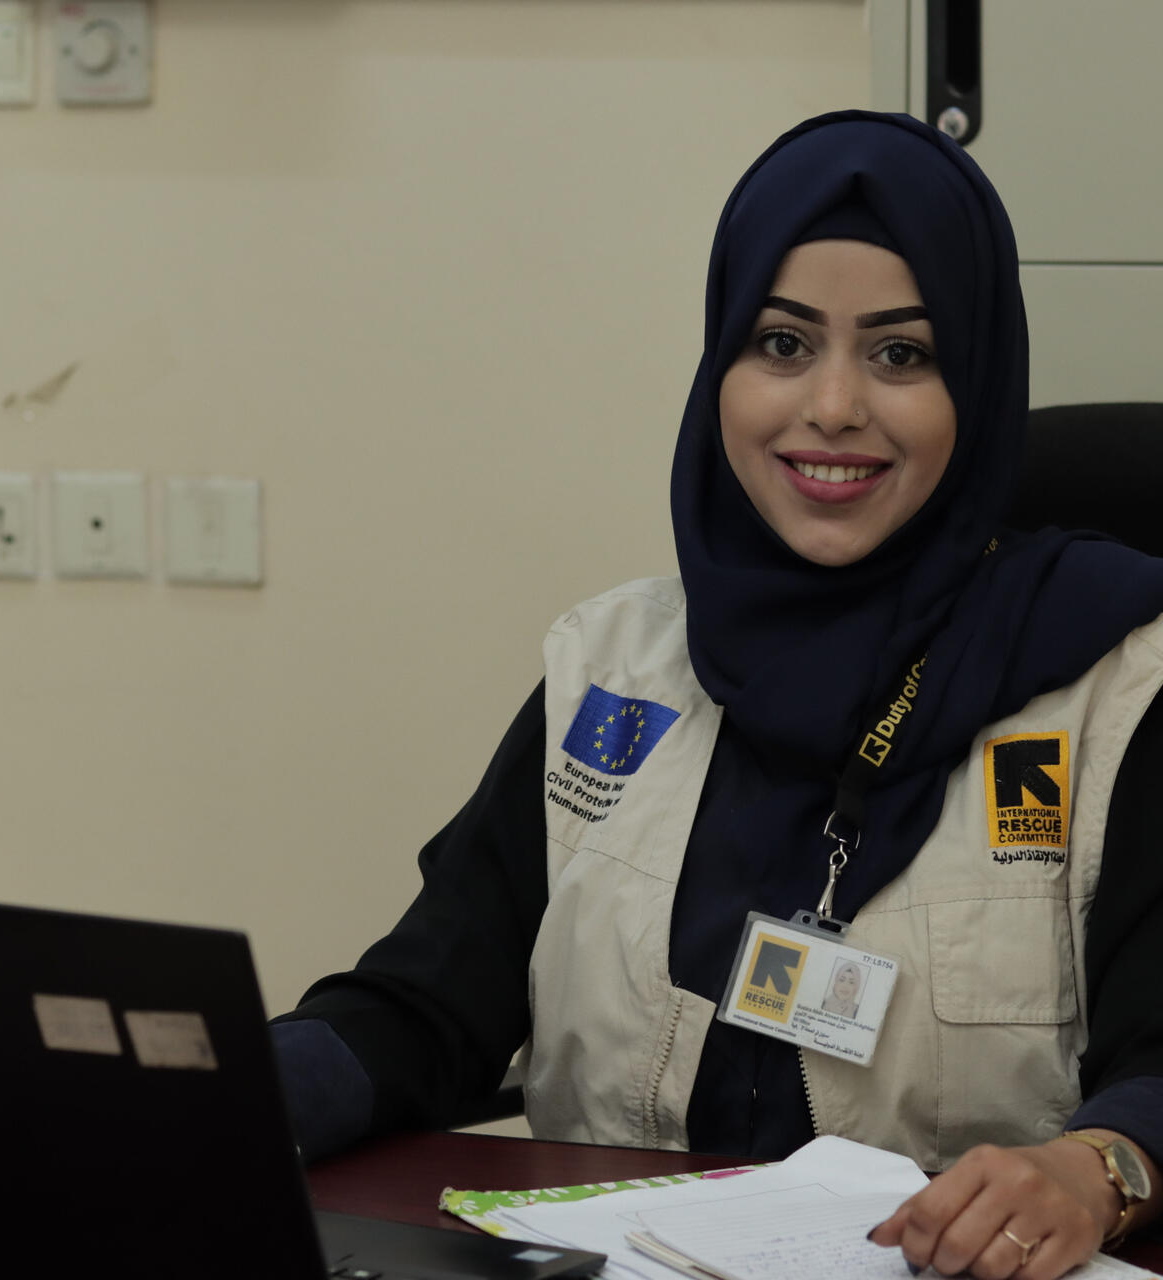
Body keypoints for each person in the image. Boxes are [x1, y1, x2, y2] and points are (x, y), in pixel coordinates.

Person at [272, 110, 1163, 1278]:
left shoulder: (1114, 689)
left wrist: (1096, 1165)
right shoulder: (615, 664)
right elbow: (429, 1003)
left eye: (899, 354)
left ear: (977, 383)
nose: (832, 405)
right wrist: (237, 1085)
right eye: (782, 344)